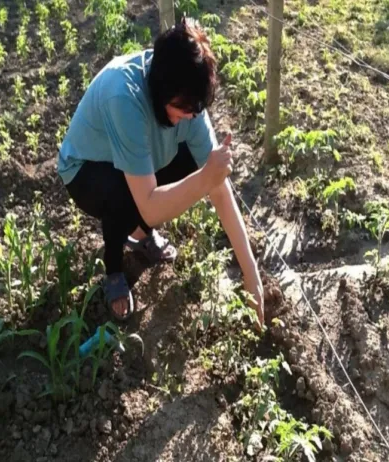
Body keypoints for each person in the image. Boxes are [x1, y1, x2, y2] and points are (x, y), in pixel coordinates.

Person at [57, 17, 264, 326]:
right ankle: (114, 270)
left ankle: (139, 237)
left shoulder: (187, 101)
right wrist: (204, 179)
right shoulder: (124, 97)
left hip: (134, 160)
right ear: (161, 90)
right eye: (183, 109)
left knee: (190, 161)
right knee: (122, 193)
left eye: (196, 110)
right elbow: (151, 206)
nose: (191, 117)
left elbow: (220, 189)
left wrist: (252, 276)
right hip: (85, 171)